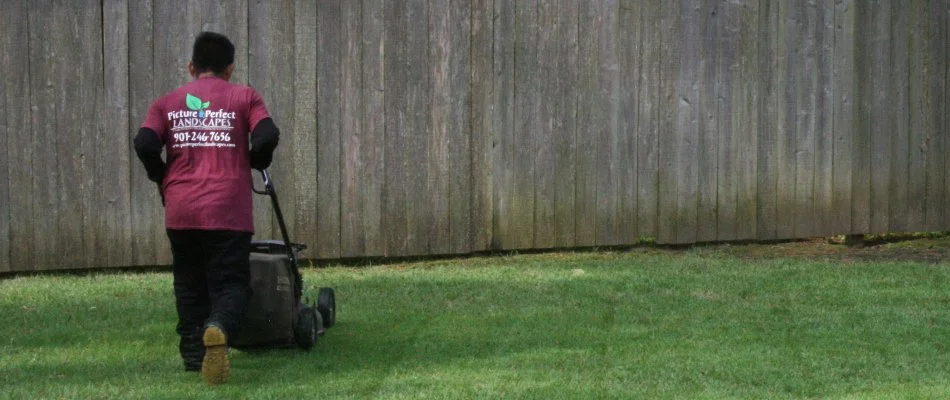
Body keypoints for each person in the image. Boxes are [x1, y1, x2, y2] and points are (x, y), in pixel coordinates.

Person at [133, 31, 280, 385]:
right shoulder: (245, 97)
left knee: (189, 283)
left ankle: (193, 355)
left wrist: (161, 175)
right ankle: (217, 327)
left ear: (191, 66)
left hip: (181, 209)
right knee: (232, 284)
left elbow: (144, 141)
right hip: (227, 209)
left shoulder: (167, 102)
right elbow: (267, 134)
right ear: (229, 68)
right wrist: (256, 159)